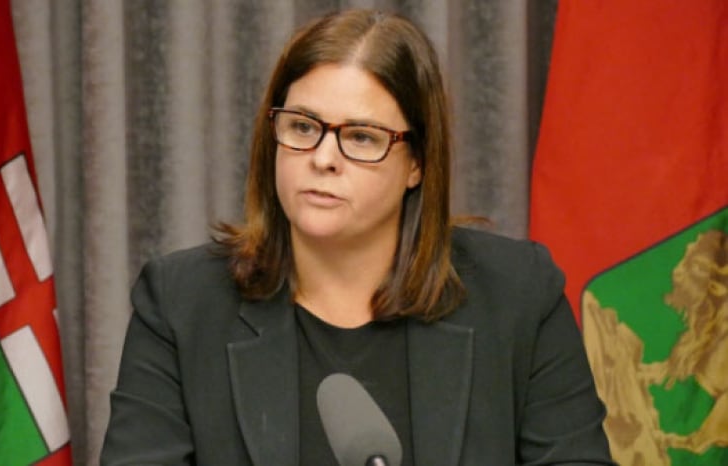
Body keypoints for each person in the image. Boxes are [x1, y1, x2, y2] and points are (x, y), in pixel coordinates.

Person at [101, 9, 615, 466]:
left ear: (417, 162)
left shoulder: (517, 295)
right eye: (303, 127)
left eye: (361, 137)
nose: (323, 158)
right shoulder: (181, 303)